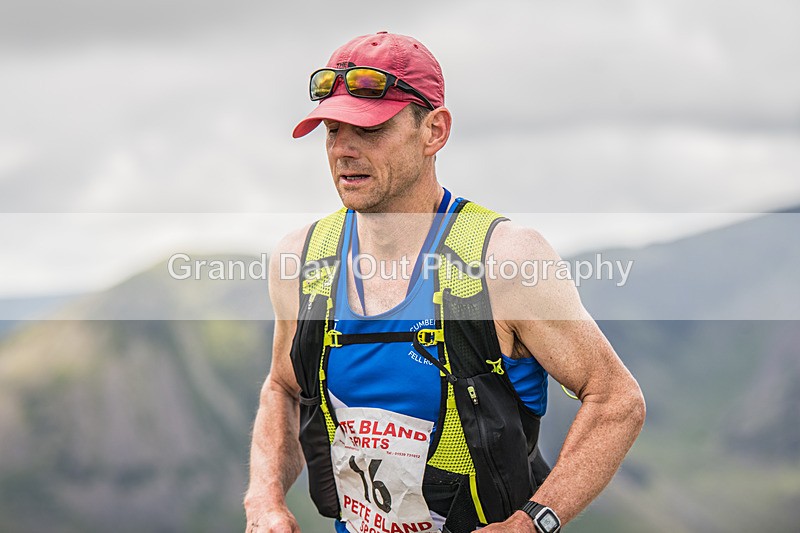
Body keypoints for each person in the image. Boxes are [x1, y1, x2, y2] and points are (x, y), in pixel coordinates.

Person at [244, 32, 645, 533]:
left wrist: (531, 523)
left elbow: (616, 399)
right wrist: (263, 500)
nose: (343, 149)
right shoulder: (301, 259)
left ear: (434, 131)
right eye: (331, 129)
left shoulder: (505, 261)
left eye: (369, 130)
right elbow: (283, 386)